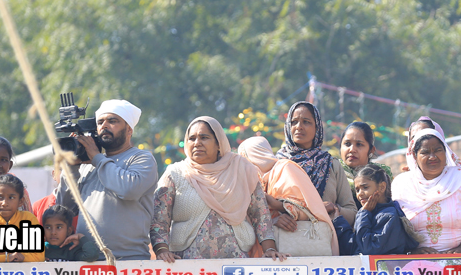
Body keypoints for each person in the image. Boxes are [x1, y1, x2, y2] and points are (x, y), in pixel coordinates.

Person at [152, 118, 288, 261]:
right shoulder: (175, 174)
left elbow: (260, 215)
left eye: (204, 137)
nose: (197, 143)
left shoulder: (240, 169)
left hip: (236, 264)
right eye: (192, 138)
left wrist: (270, 249)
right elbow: (159, 219)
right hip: (187, 264)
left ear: (219, 143)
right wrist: (162, 250)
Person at [55, 100, 158, 260]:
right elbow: (64, 209)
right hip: (87, 259)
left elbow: (128, 190)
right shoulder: (88, 164)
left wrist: (97, 158)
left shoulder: (141, 158)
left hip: (129, 260)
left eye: (112, 121)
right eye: (100, 122)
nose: (104, 126)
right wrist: (71, 168)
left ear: (129, 129)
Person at [393, 127, 461, 253]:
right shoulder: (402, 183)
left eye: (438, 150)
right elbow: (394, 223)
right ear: (415, 156)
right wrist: (410, 251)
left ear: (446, 152)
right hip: (414, 261)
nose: (432, 157)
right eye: (425, 152)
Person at [238, 136, 339, 255]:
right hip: (266, 250)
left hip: (300, 247)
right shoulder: (254, 182)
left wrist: (278, 206)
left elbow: (310, 209)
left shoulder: (286, 169)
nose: (245, 166)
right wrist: (273, 221)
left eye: (245, 159)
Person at [278, 101, 357, 224]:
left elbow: (352, 213)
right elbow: (263, 206)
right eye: (294, 122)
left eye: (306, 122)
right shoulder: (277, 163)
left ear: (317, 127)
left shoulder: (330, 164)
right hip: (285, 235)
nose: (299, 127)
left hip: (323, 234)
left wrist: (332, 209)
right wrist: (276, 218)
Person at [350, 164, 419, 255]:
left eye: (365, 187)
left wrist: (363, 213)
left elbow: (369, 249)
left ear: (382, 187)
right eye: (357, 190)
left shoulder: (389, 216)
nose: (360, 194)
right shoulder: (369, 212)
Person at [340, 121, 392, 208]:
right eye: (347, 144)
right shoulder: (331, 173)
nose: (352, 149)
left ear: (371, 150)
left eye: (359, 144)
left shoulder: (380, 176)